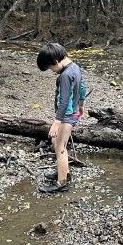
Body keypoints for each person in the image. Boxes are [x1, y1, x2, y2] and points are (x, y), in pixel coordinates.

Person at [36, 42, 86, 193]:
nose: (52, 72)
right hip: (73, 111)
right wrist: (81, 105)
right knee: (56, 141)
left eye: (51, 68)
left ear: (56, 62)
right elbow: (82, 87)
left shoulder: (65, 75)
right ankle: (64, 171)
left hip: (67, 115)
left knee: (60, 147)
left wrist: (56, 123)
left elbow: (64, 101)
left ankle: (62, 183)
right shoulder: (75, 67)